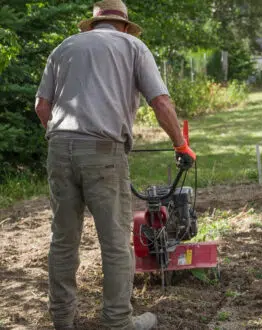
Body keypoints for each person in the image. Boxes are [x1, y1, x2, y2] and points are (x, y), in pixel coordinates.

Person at [35, 0, 196, 329]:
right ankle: (118, 322)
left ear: (94, 24)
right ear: (124, 24)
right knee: (115, 243)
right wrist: (181, 145)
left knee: (63, 240)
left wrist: (65, 140)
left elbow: (41, 106)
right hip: (104, 152)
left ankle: (62, 321)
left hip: (59, 147)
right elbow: (161, 101)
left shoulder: (64, 47)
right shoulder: (133, 47)